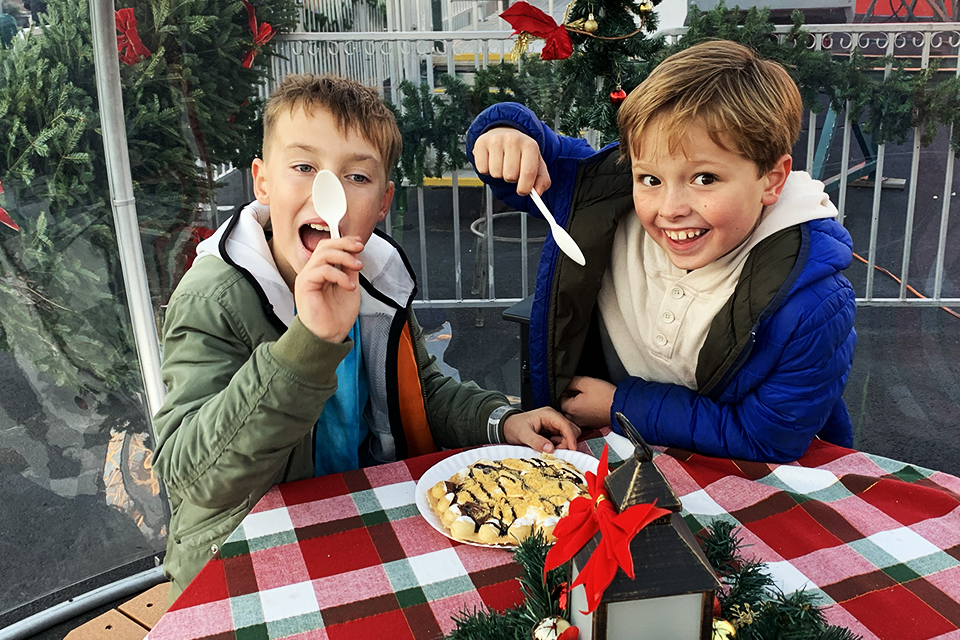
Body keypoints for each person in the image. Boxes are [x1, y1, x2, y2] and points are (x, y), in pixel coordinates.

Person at [152, 74, 579, 598]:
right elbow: (191, 478)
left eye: (356, 175)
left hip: (357, 524)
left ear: (382, 203)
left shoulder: (375, 280)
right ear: (262, 182)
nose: (324, 189)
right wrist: (308, 341)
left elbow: (422, 390)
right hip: (243, 558)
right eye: (304, 167)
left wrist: (502, 419)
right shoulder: (216, 296)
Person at [466, 40, 857, 464]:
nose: (670, 210)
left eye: (705, 178)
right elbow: (539, 162)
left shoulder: (813, 303)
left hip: (746, 488)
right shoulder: (607, 200)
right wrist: (503, 131)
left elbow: (768, 438)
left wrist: (620, 404)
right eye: (650, 179)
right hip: (602, 465)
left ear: (772, 179)